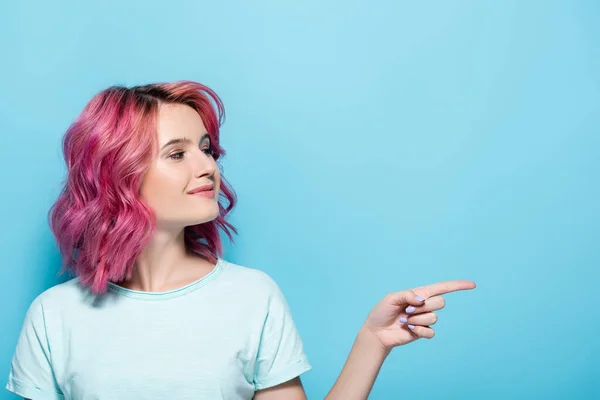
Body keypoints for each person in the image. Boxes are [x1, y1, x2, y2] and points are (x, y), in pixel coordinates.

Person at [5, 81, 476, 400]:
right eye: (177, 153)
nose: (207, 166)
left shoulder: (252, 297)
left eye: (207, 149)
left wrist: (372, 342)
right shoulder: (54, 317)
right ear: (119, 174)